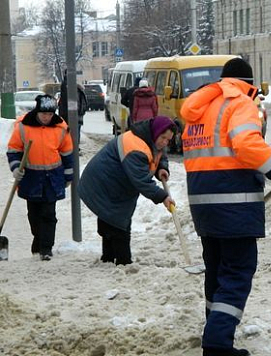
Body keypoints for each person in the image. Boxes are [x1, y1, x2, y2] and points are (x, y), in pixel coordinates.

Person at [180, 58, 271, 356]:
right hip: (235, 201)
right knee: (237, 271)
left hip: (203, 202)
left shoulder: (200, 108)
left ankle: (212, 328)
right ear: (248, 81)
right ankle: (217, 343)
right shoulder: (239, 103)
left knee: (217, 270)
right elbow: (247, 145)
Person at [78, 116, 176, 265]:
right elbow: (141, 180)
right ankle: (123, 261)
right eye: (163, 137)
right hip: (103, 182)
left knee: (113, 219)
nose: (165, 142)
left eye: (168, 140)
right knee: (118, 222)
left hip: (116, 184)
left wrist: (162, 168)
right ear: (156, 132)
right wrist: (163, 197)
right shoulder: (135, 146)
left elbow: (160, 153)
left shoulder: (150, 138)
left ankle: (109, 258)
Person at [6, 94, 73, 261]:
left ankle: (46, 248)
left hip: (53, 176)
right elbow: (14, 150)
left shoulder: (61, 128)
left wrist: (68, 174)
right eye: (43, 114)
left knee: (49, 213)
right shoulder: (23, 127)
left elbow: (67, 152)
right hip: (31, 178)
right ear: (37, 111)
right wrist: (15, 168)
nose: (46, 117)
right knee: (34, 214)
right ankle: (38, 240)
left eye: (50, 114)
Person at [59, 73, 88, 142]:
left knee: (72, 136)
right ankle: (75, 148)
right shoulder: (77, 88)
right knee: (74, 135)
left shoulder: (69, 87)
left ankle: (74, 148)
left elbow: (80, 104)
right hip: (75, 116)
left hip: (72, 116)